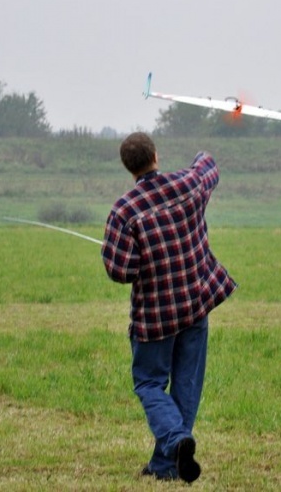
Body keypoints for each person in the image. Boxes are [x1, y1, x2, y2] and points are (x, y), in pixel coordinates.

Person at [101, 132, 237, 483]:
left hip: (155, 317)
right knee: (187, 383)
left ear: (127, 168)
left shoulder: (124, 211)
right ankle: (168, 463)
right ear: (156, 156)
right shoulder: (188, 185)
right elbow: (208, 164)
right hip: (195, 303)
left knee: (148, 384)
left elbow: (121, 271)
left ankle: (174, 445)